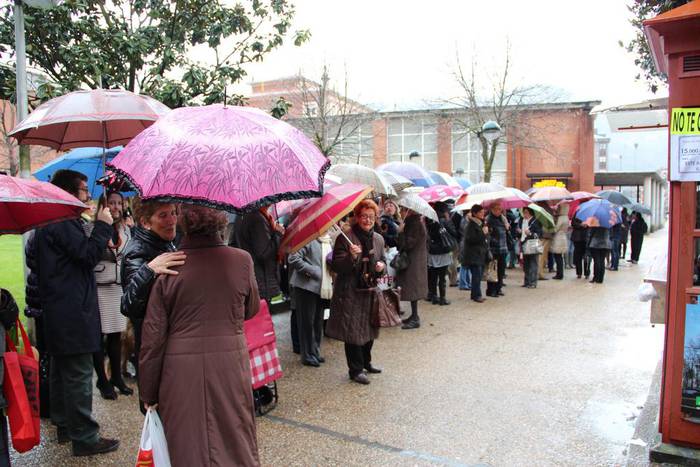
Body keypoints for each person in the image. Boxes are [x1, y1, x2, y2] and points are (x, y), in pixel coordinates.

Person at [139, 205, 260, 466]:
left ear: (184, 225)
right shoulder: (242, 260)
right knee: (235, 436)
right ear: (219, 224)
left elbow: (153, 339)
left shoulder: (171, 266)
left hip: (180, 373)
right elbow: (250, 309)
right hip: (229, 366)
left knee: (186, 442)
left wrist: (148, 393)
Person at [34, 169, 119, 456]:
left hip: (59, 308)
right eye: (84, 190)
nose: (87, 195)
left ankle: (64, 425)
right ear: (70, 192)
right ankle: (84, 436)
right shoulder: (63, 220)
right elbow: (86, 255)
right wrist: (103, 226)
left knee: (62, 368)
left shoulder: (51, 220)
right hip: (71, 310)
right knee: (79, 372)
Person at [121, 199, 185, 408]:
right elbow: (129, 304)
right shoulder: (136, 252)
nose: (172, 220)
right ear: (145, 222)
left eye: (173, 213)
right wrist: (149, 270)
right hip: (153, 348)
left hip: (171, 343)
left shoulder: (165, 242)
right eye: (163, 215)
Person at [326, 200, 386, 384]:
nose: (367, 220)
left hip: (370, 290)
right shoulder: (345, 237)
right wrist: (351, 257)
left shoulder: (378, 239)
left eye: (371, 216)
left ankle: (366, 362)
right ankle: (355, 369)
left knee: (369, 328)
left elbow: (383, 261)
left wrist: (381, 267)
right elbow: (337, 266)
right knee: (352, 331)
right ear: (357, 217)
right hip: (350, 291)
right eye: (363, 216)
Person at [88, 192, 133, 400]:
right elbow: (92, 253)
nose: (116, 207)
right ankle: (102, 380)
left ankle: (116, 376)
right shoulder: (93, 227)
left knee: (117, 334)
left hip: (117, 286)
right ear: (104, 205)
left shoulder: (125, 229)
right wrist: (102, 227)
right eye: (112, 203)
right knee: (99, 335)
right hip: (100, 285)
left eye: (119, 203)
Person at [288, 239, 325, 367]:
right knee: (306, 322)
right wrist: (313, 270)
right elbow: (293, 258)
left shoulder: (327, 240)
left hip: (322, 287)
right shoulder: (307, 239)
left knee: (317, 321)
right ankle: (307, 355)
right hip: (305, 287)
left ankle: (315, 351)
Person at [235, 207, 284, 301]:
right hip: (261, 281)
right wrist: (278, 234)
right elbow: (264, 253)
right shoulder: (257, 218)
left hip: (252, 278)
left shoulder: (243, 214)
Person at [395, 206, 428, 329]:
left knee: (413, 289)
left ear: (409, 211)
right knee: (412, 288)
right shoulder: (416, 222)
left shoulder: (414, 224)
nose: (401, 212)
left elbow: (407, 244)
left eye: (402, 210)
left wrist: (401, 232)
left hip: (413, 262)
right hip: (415, 261)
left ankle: (415, 318)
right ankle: (414, 316)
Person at [426, 203, 458, 306]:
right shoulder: (444, 220)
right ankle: (442, 298)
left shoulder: (430, 219)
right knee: (442, 276)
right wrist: (448, 220)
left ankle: (434, 296)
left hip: (432, 251)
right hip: (443, 251)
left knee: (433, 276)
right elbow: (454, 233)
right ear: (444, 210)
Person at [462, 205, 488, 303]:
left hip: (479, 253)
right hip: (474, 254)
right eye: (480, 212)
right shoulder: (471, 225)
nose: (483, 214)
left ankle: (475, 294)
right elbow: (471, 239)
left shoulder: (480, 223)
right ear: (475, 213)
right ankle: (477, 295)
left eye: (483, 212)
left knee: (478, 275)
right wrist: (483, 234)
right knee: (476, 276)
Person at [485, 202, 509, 297]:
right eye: (497, 209)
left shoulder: (502, 219)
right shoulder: (488, 219)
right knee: (492, 270)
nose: (499, 210)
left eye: (500, 209)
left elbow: (505, 232)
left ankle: (499, 288)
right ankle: (491, 290)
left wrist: (507, 227)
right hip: (493, 249)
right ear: (492, 209)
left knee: (501, 270)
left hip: (503, 248)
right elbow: (488, 235)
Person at [520, 207, 543, 288]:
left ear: (530, 212)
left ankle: (533, 282)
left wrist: (530, 233)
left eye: (526, 212)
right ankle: (527, 281)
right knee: (526, 264)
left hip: (532, 244)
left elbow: (539, 234)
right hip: (524, 243)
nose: (525, 214)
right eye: (524, 212)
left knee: (533, 263)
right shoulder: (522, 221)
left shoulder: (535, 222)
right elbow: (521, 232)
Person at [550, 203, 569, 280]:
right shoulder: (566, 217)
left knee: (558, 257)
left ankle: (559, 274)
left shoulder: (561, 218)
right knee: (560, 257)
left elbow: (556, 228)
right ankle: (560, 273)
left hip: (558, 237)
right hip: (563, 237)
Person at [537, 202, 555, 280]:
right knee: (542, 256)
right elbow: (552, 224)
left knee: (539, 255)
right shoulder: (548, 210)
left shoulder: (538, 210)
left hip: (541, 235)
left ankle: (538, 272)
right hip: (546, 235)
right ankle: (540, 273)